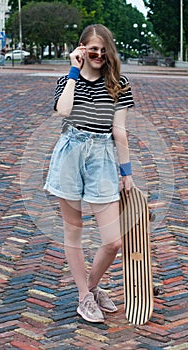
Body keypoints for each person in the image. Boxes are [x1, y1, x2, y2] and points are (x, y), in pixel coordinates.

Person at [44, 24, 135, 323]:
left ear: (109, 51)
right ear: (81, 49)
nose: (98, 54)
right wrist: (73, 71)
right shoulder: (66, 80)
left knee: (112, 241)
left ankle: (91, 288)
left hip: (103, 156)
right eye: (91, 49)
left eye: (102, 49)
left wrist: (127, 172)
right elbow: (64, 111)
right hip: (70, 152)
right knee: (74, 230)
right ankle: (84, 296)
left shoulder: (119, 84)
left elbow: (119, 131)